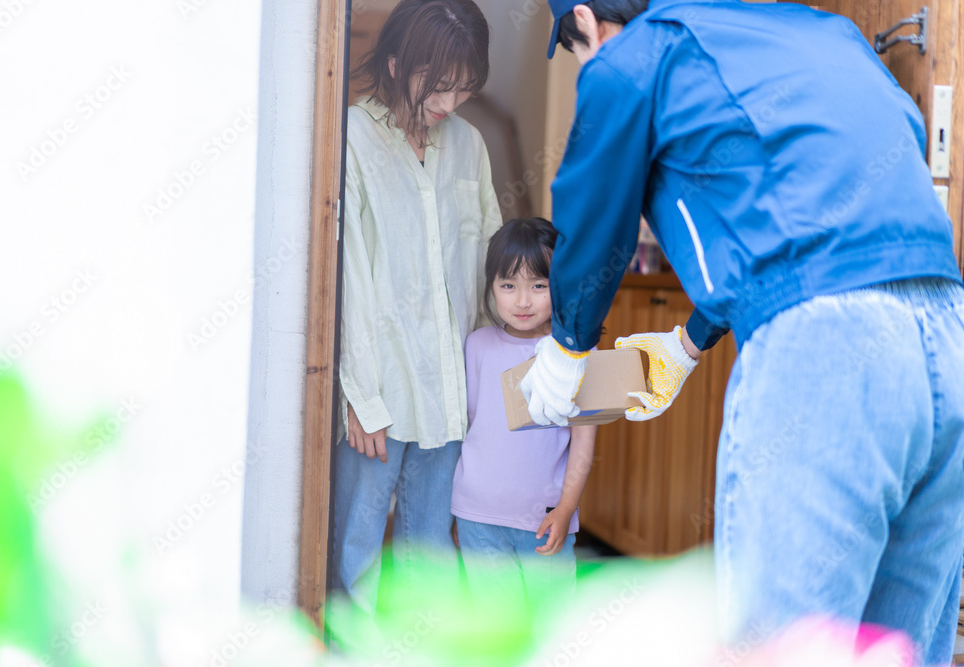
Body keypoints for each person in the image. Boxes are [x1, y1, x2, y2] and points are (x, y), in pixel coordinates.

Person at [519, 0, 964, 663]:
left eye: (579, 48)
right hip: (949, 337)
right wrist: (685, 345)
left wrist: (566, 347)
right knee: (898, 650)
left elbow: (593, 214)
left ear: (585, 20)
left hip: (826, 353)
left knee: (780, 647)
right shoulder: (826, 33)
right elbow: (791, 218)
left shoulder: (633, 57)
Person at [331, 0, 501, 617]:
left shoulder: (470, 146)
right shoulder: (350, 136)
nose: (449, 104)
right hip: (377, 385)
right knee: (356, 556)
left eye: (463, 89)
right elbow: (348, 275)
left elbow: (488, 264)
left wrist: (489, 386)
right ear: (399, 61)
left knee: (428, 555)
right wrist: (361, 396)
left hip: (451, 389)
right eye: (439, 86)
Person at [450, 218, 597, 617]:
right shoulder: (476, 346)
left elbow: (584, 442)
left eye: (538, 285)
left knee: (551, 629)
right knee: (499, 631)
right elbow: (469, 428)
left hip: (544, 520)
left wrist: (567, 508)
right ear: (491, 288)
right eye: (508, 285)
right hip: (477, 517)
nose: (522, 301)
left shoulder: (575, 356)